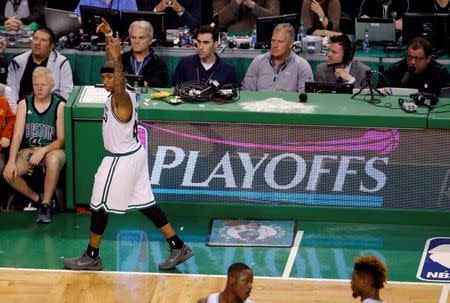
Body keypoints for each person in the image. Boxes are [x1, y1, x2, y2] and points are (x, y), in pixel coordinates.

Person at [63, 30, 194, 271]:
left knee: (98, 204)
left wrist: (117, 60)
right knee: (145, 203)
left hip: (120, 159)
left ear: (120, 79)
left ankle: (92, 256)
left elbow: (118, 81)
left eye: (109, 79)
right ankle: (178, 246)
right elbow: (115, 75)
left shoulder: (121, 99)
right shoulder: (126, 93)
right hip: (134, 154)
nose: (105, 83)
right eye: (103, 79)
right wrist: (109, 48)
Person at [3, 67, 65, 223]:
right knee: (9, 173)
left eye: (43, 84)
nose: (39, 88)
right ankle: (39, 199)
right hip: (29, 149)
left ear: (51, 85)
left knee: (53, 160)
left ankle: (45, 206)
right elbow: (17, 135)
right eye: (36, 84)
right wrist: (10, 162)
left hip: (52, 149)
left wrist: (43, 151)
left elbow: (61, 140)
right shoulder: (24, 104)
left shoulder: (59, 106)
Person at [7, 27, 74, 105]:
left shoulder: (61, 63)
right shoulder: (17, 62)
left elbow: (66, 95)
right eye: (35, 38)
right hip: (21, 110)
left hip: (50, 111)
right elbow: (11, 94)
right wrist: (16, 114)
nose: (37, 43)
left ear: (51, 45)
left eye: (43, 40)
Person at [242, 23, 314, 92]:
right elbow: (247, 93)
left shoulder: (302, 66)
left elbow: (306, 98)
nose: (275, 45)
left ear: (291, 44)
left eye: (280, 41)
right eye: (273, 40)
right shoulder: (258, 62)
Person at [98, 19, 168, 87]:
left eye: (141, 38)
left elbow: (156, 88)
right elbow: (110, 66)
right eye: (133, 37)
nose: (136, 41)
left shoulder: (159, 63)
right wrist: (108, 34)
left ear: (150, 41)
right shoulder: (121, 59)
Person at [378, 37, 450, 96]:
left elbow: (446, 100)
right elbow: (379, 92)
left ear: (428, 58)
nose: (412, 62)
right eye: (409, 57)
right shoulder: (395, 69)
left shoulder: (440, 73)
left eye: (417, 58)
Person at [173, 24, 238, 87]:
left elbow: (232, 93)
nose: (200, 47)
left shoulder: (227, 68)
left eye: (206, 42)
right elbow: (175, 90)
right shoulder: (184, 64)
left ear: (215, 44)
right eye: (199, 42)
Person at [212, 0, 280, 33]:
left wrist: (253, 5)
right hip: (233, 42)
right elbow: (219, 20)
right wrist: (237, 2)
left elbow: (275, 16)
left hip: (262, 39)